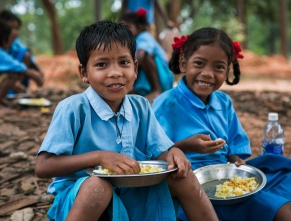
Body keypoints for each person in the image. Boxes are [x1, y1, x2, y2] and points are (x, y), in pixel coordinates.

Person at [34, 20, 218, 221]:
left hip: (130, 192)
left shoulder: (140, 106)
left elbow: (160, 152)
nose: (116, 73)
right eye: (102, 64)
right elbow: (43, 166)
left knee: (183, 176)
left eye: (124, 62)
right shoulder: (73, 108)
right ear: (84, 73)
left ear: (135, 68)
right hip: (82, 198)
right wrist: (98, 157)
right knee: (98, 185)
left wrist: (173, 153)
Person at [152, 27, 291, 221]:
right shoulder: (166, 103)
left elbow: (233, 140)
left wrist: (235, 160)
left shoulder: (223, 102)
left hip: (225, 178)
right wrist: (187, 145)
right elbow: (153, 151)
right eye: (199, 63)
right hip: (185, 183)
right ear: (183, 63)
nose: (207, 74)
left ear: (228, 70)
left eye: (218, 67)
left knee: (282, 184)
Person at [0, 9, 43, 94]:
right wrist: (33, 75)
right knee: (12, 72)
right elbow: (9, 63)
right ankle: (3, 96)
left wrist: (38, 70)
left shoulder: (14, 43)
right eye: (11, 29)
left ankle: (15, 91)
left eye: (17, 29)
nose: (15, 33)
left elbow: (23, 55)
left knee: (24, 56)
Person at [120, 8, 174, 103]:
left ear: (139, 27)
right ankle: (139, 90)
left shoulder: (144, 36)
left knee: (145, 57)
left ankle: (156, 89)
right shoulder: (131, 42)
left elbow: (140, 56)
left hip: (163, 77)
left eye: (127, 27)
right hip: (148, 79)